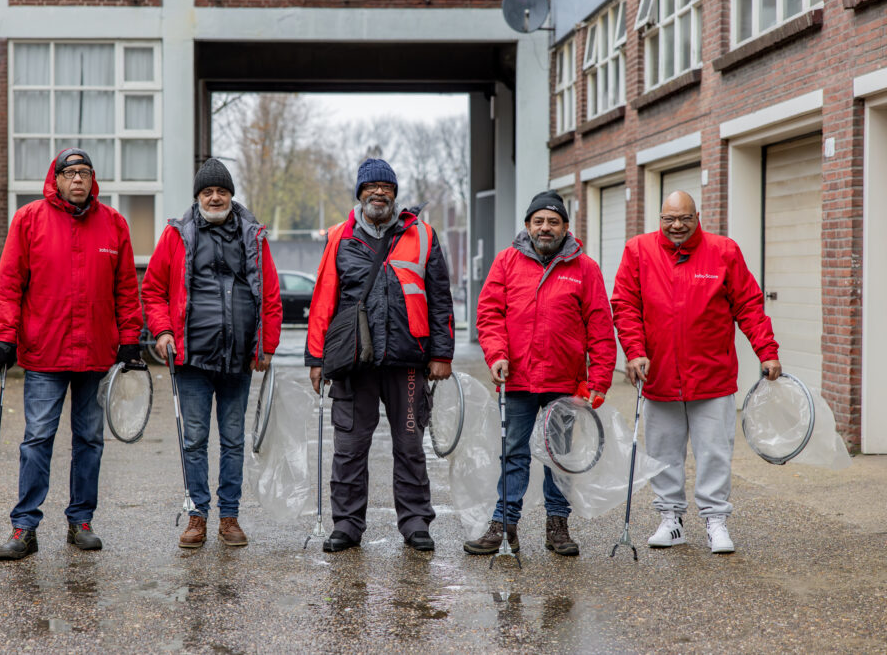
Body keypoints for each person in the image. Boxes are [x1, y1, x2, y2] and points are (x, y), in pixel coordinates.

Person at [0, 148, 144, 561]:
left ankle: (81, 521)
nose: (78, 179)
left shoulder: (114, 223)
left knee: (89, 439)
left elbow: (126, 289)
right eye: (70, 172)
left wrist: (130, 338)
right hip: (45, 351)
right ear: (55, 179)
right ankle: (25, 526)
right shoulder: (29, 219)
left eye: (85, 173)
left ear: (93, 180)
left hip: (96, 353)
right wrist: (4, 334)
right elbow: (9, 283)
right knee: (37, 438)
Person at [611, 190, 781, 554]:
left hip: (712, 376)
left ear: (697, 217)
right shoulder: (638, 251)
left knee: (714, 453)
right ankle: (670, 520)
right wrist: (635, 352)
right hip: (659, 377)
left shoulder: (724, 251)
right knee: (663, 454)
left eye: (685, 218)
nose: (677, 225)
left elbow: (749, 305)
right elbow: (625, 305)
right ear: (659, 218)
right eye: (669, 219)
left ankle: (715, 521)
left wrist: (766, 351)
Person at [306, 158, 455, 553]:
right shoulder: (339, 236)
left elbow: (440, 299)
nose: (378, 193)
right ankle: (346, 525)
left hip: (408, 361)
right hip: (353, 363)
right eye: (370, 187)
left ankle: (416, 523)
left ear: (394, 194)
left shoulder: (423, 234)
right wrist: (316, 358)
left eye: (386, 187)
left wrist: (442, 353)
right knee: (349, 449)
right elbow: (323, 299)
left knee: (410, 447)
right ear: (360, 194)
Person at [141, 158, 282, 549]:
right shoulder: (177, 235)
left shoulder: (253, 236)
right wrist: (163, 331)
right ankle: (197, 516)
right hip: (191, 360)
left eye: (221, 191)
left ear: (231, 195)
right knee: (194, 441)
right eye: (207, 192)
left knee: (233, 441)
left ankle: (230, 517)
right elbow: (152, 290)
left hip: (238, 359)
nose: (215, 197)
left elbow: (270, 295)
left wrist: (266, 345)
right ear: (198, 197)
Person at [468, 191, 616, 557]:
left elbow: (600, 326)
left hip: (564, 383)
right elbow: (490, 314)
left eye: (553, 221)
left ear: (565, 227)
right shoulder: (506, 262)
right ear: (527, 225)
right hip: (517, 379)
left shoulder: (585, 268)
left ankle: (557, 526)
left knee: (558, 457)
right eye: (539, 221)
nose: (545, 227)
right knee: (513, 454)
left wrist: (598, 380)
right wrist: (497, 356)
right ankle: (504, 526)